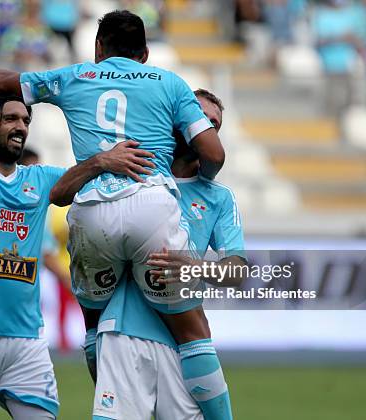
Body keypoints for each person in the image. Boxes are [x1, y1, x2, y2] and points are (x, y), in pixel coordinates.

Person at [0, 10, 226, 418]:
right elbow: (213, 154)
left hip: (92, 211)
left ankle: (108, 386)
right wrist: (204, 182)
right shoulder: (171, 83)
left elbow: (9, 82)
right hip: (152, 206)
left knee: (95, 322)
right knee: (192, 330)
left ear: (97, 49)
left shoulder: (78, 76)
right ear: (145, 53)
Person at [0, 91, 155, 419]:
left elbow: (80, 179)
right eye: (10, 118)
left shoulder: (39, 179)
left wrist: (105, 161)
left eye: (25, 120)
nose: (21, 126)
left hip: (28, 340)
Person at [51, 89, 245, 419]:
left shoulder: (219, 198)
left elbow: (237, 274)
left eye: (215, 124)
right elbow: (62, 197)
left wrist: (194, 267)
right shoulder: (127, 172)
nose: (207, 127)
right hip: (124, 332)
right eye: (201, 117)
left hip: (185, 348)